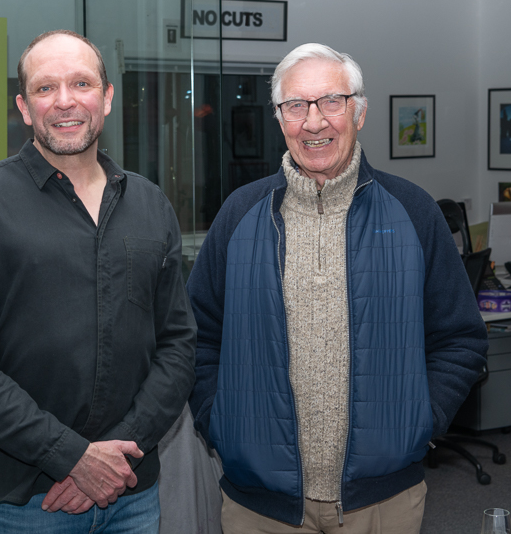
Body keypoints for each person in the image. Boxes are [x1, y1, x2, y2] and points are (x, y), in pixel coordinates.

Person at [187, 43, 488, 533]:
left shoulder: (413, 212)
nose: (314, 121)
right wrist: (221, 423)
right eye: (295, 106)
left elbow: (461, 337)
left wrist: (421, 422)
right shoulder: (240, 215)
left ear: (359, 111)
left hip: (384, 499)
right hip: (260, 505)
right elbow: (198, 337)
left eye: (332, 101)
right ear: (279, 118)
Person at [0, 30, 197, 533]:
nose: (65, 101)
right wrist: (73, 457)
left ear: (107, 97)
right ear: (24, 106)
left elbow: (178, 346)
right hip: (28, 505)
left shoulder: (149, 204)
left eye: (81, 83)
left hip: (132, 493)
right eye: (45, 88)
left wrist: (112, 461)